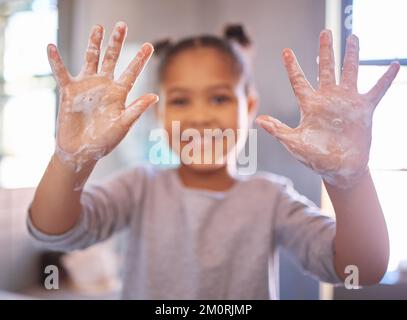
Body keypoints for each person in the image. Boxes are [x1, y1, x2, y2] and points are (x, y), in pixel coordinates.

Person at [27, 21, 400, 299]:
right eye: (181, 101)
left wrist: (349, 182)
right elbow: (51, 230)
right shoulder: (139, 187)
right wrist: (70, 160)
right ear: (159, 113)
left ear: (249, 106)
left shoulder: (271, 199)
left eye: (219, 98)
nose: (201, 117)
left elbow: (358, 269)